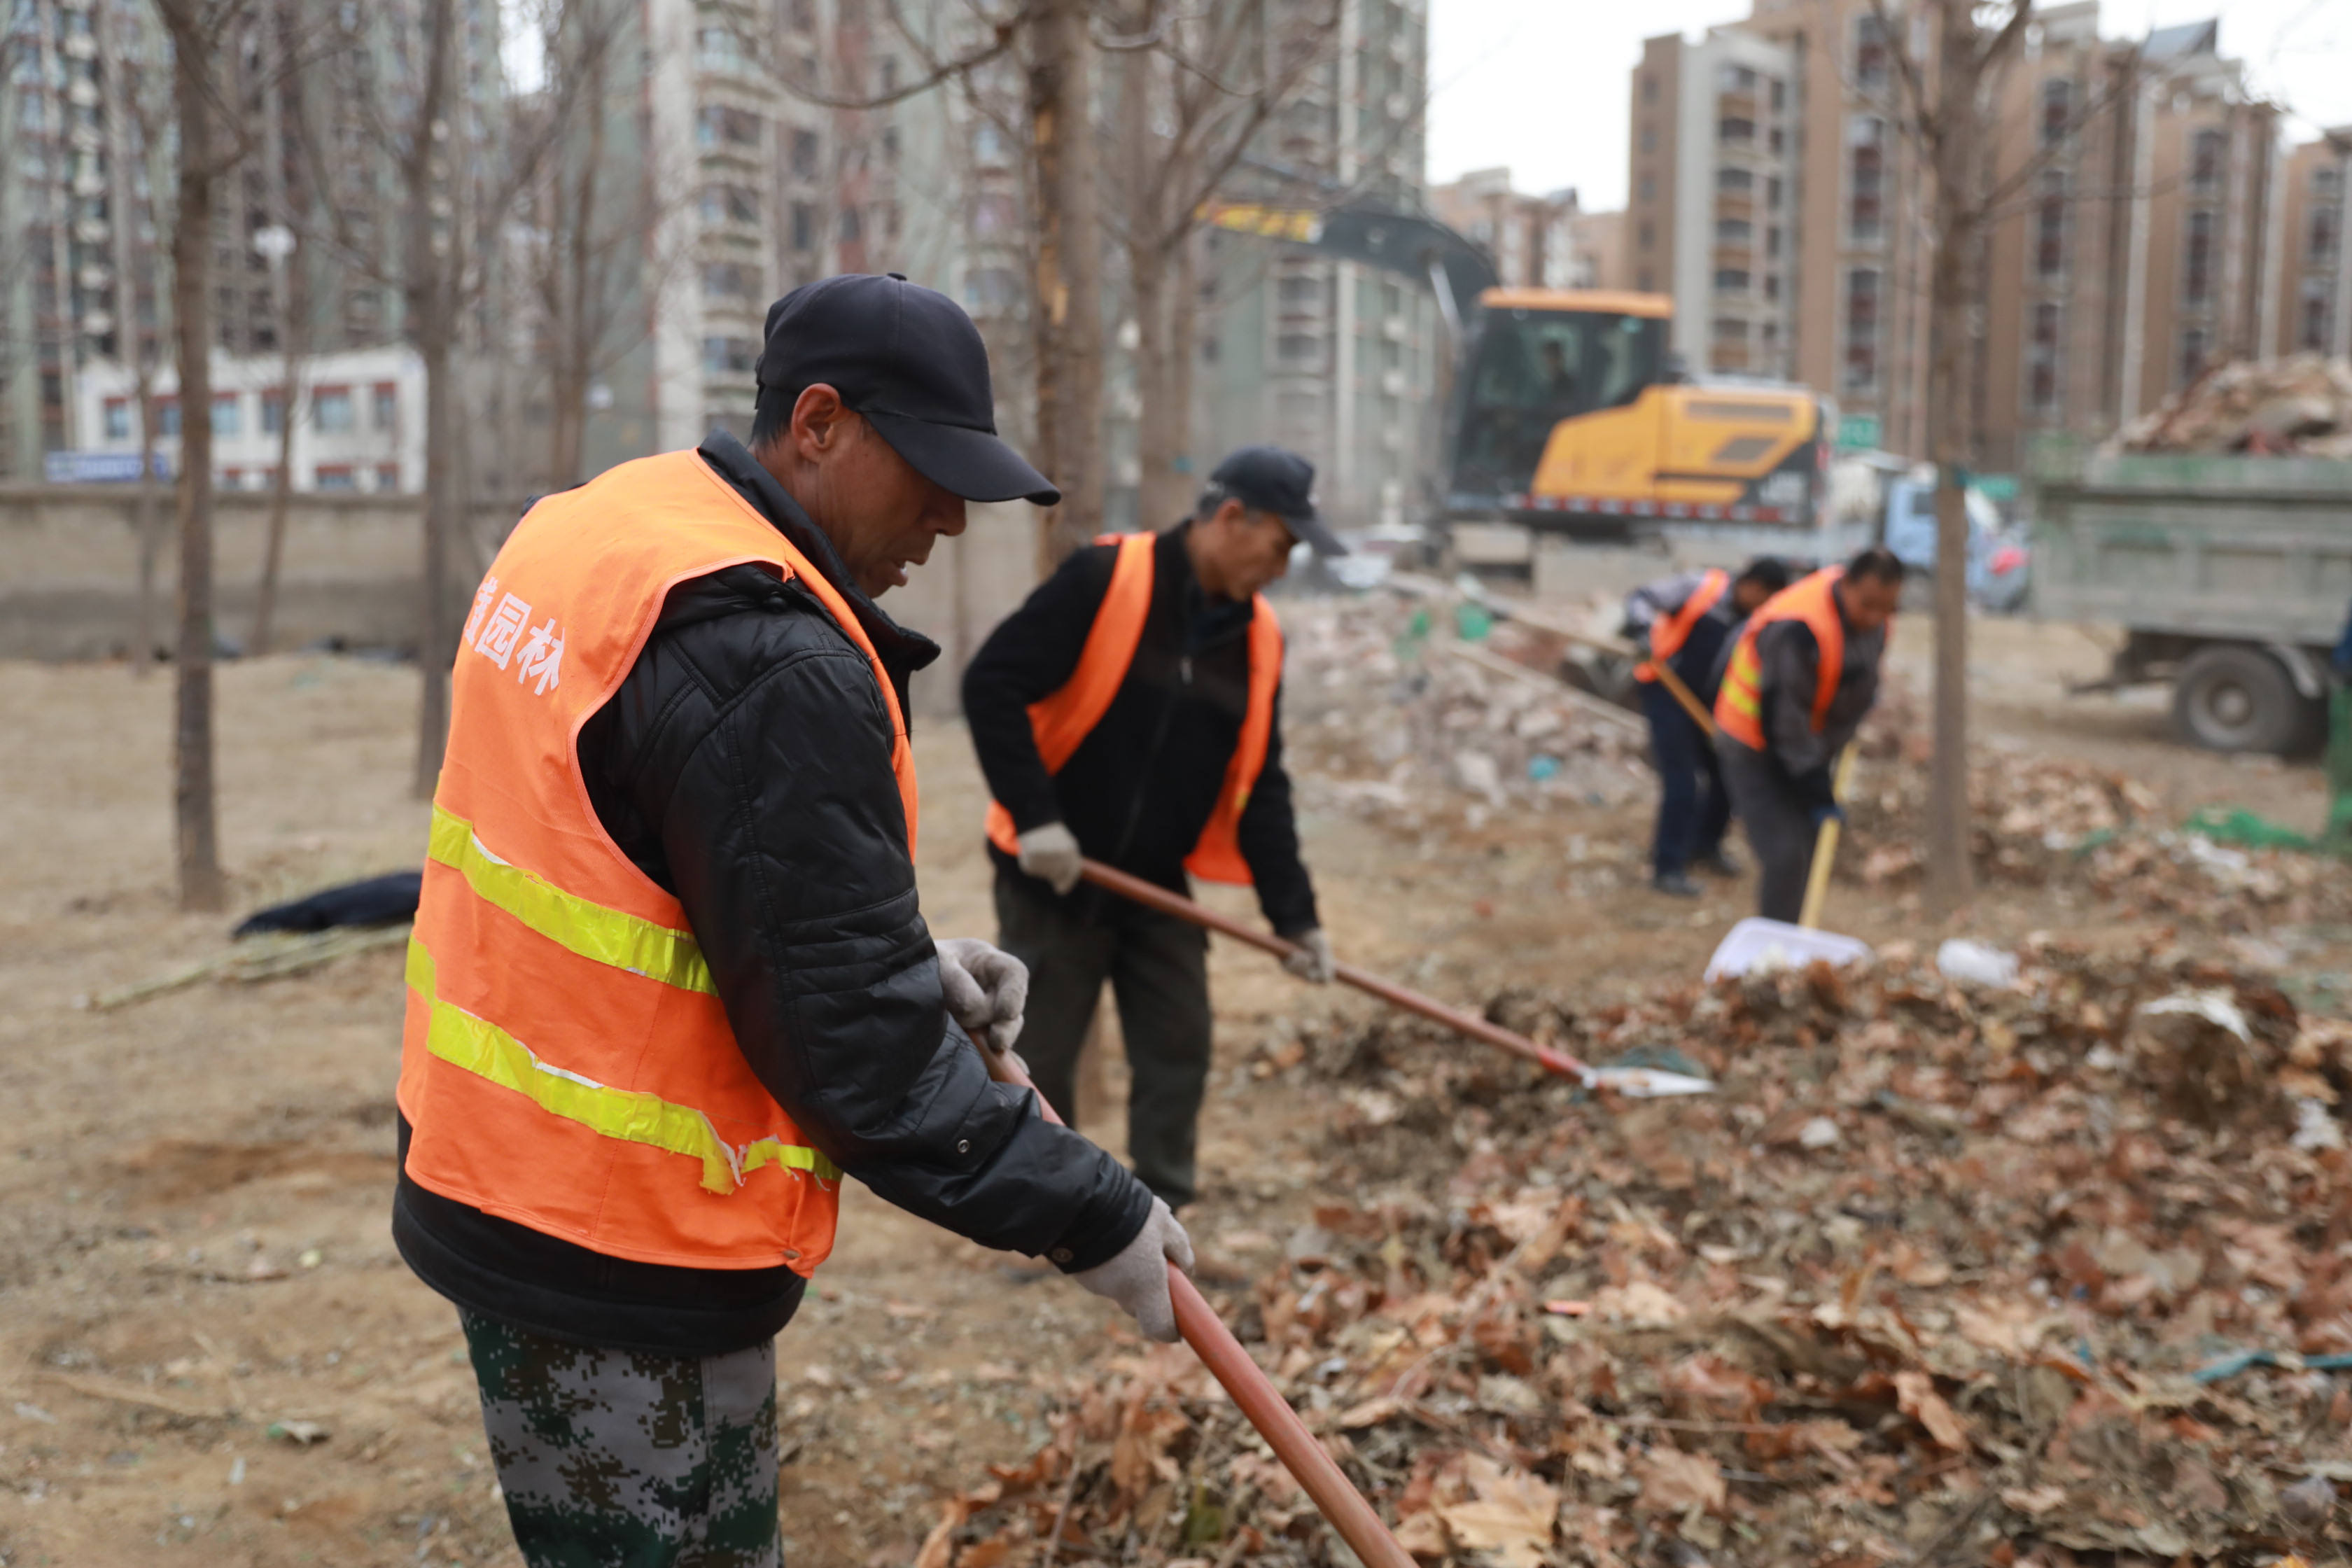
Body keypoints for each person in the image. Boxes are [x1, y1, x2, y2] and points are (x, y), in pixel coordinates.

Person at [394, 273, 1190, 1568]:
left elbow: (635, 838)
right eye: (930, 471)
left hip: (498, 1162)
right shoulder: (769, 653)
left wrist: (885, 950)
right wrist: (1090, 1212)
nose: (950, 517)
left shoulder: (602, 530)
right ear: (817, 424)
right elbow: (861, 1059)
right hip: (618, 1239)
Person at [962, 447, 1339, 1210]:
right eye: (1280, 547)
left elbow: (1261, 785)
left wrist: (1296, 917)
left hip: (1157, 883)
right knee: (1039, 1058)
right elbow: (991, 683)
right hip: (1055, 877)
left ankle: (1164, 1215)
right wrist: (1038, 819)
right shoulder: (1107, 579)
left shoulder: (1259, 640)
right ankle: (1051, 1218)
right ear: (1232, 518)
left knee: (1179, 1041)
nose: (1281, 568)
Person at [1713, 547, 1905, 922]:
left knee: (1811, 843)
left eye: (1887, 607)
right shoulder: (1797, 629)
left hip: (1806, 746)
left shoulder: (1876, 620)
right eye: (1867, 605)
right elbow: (1784, 719)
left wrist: (1830, 750)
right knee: (1784, 854)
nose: (1876, 617)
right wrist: (1813, 782)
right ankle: (1777, 942)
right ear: (1846, 584)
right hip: (1751, 743)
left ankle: (1793, 925)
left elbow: (1855, 684)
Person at [1623, 556, 1791, 896]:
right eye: (1765, 598)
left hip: (1711, 703)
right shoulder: (1701, 587)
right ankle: (1667, 867)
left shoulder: (1754, 619)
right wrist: (1642, 631)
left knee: (1727, 773)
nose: (1765, 607)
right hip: (1667, 692)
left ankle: (1704, 845)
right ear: (1752, 586)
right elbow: (1641, 598)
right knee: (1684, 782)